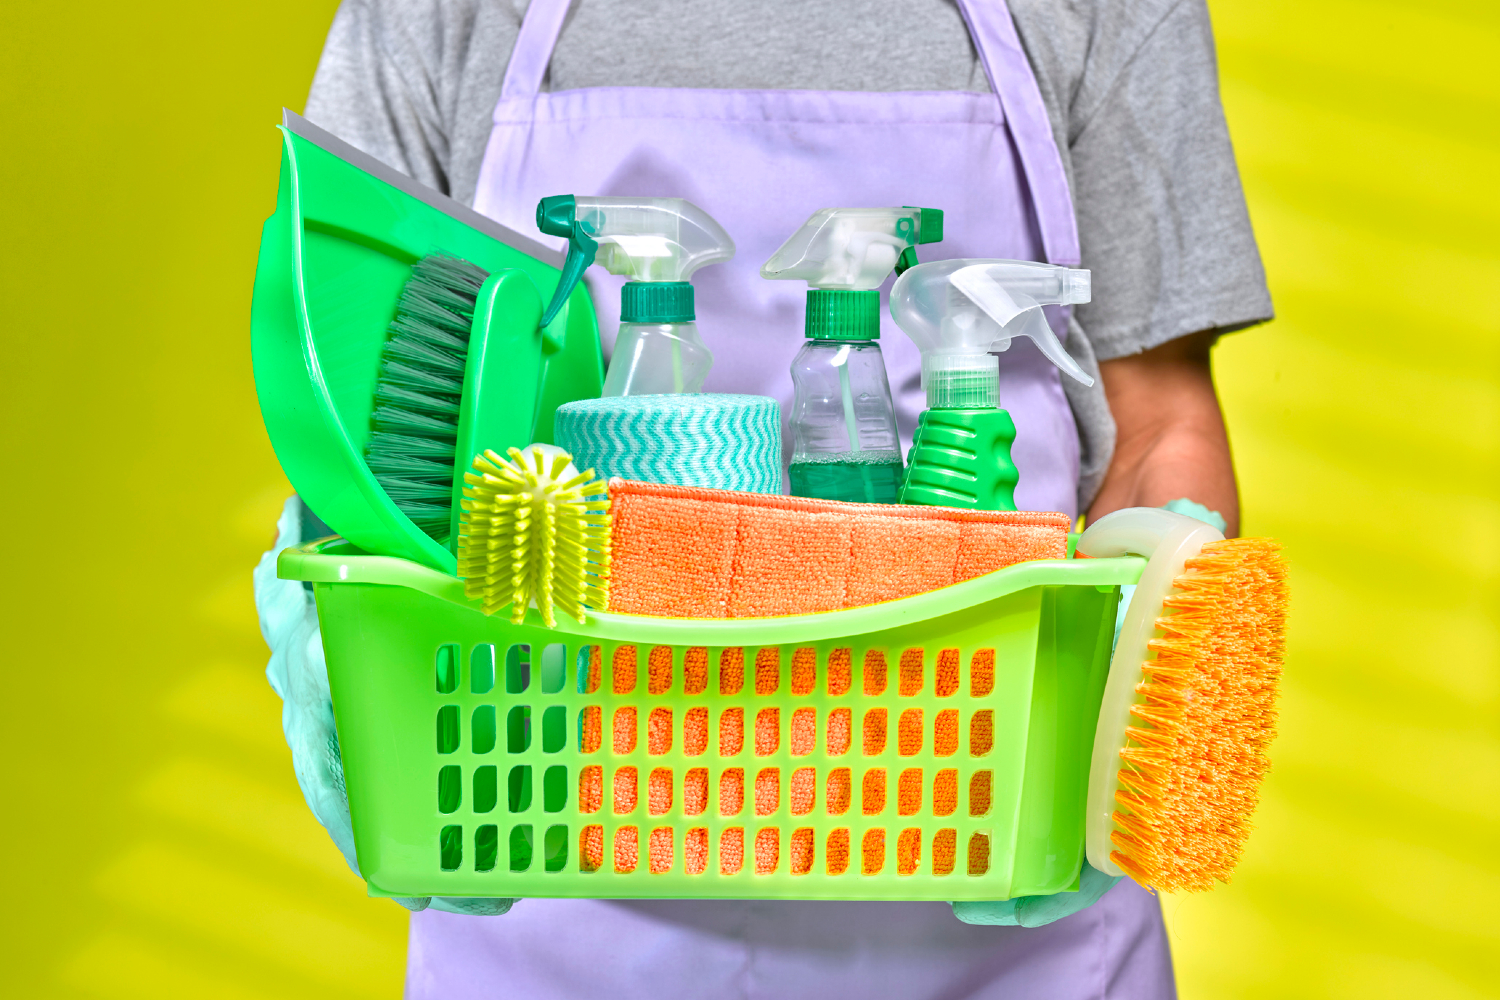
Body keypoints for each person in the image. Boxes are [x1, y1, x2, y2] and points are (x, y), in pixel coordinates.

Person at [275, 0, 1272, 996]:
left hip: (993, 864)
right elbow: (369, 406)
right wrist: (344, 652)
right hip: (544, 865)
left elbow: (1157, 418)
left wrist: (1145, 693)